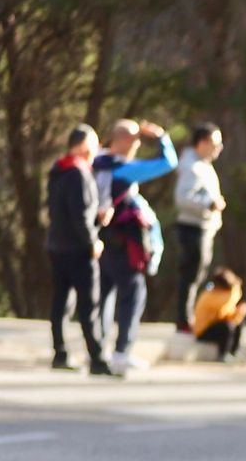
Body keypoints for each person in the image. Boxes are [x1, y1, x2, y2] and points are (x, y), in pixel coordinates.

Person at [95, 119, 176, 373]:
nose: (137, 144)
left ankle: (97, 349)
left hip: (98, 240)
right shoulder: (123, 170)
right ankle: (122, 352)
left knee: (102, 297)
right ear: (124, 141)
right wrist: (161, 136)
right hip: (124, 244)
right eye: (135, 139)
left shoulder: (95, 163)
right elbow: (168, 162)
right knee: (133, 295)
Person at [45, 124, 115, 377]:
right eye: (94, 145)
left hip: (56, 245)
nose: (96, 151)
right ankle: (97, 358)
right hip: (78, 249)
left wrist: (95, 219)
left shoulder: (57, 170)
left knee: (61, 302)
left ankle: (60, 353)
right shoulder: (79, 173)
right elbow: (80, 215)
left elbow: (60, 211)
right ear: (84, 146)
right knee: (90, 305)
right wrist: (92, 241)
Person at [174, 122, 226, 332]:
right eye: (215, 143)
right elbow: (183, 197)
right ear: (202, 143)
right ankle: (184, 320)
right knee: (190, 276)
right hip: (193, 228)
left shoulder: (202, 164)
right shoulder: (192, 166)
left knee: (196, 275)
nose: (219, 148)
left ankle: (188, 317)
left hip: (203, 227)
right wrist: (209, 204)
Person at [191, 267, 246, 361]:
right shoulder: (210, 296)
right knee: (227, 327)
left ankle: (234, 352)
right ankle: (223, 354)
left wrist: (238, 314)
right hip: (203, 330)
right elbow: (221, 315)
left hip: (217, 324)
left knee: (239, 323)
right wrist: (237, 312)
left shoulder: (229, 292)